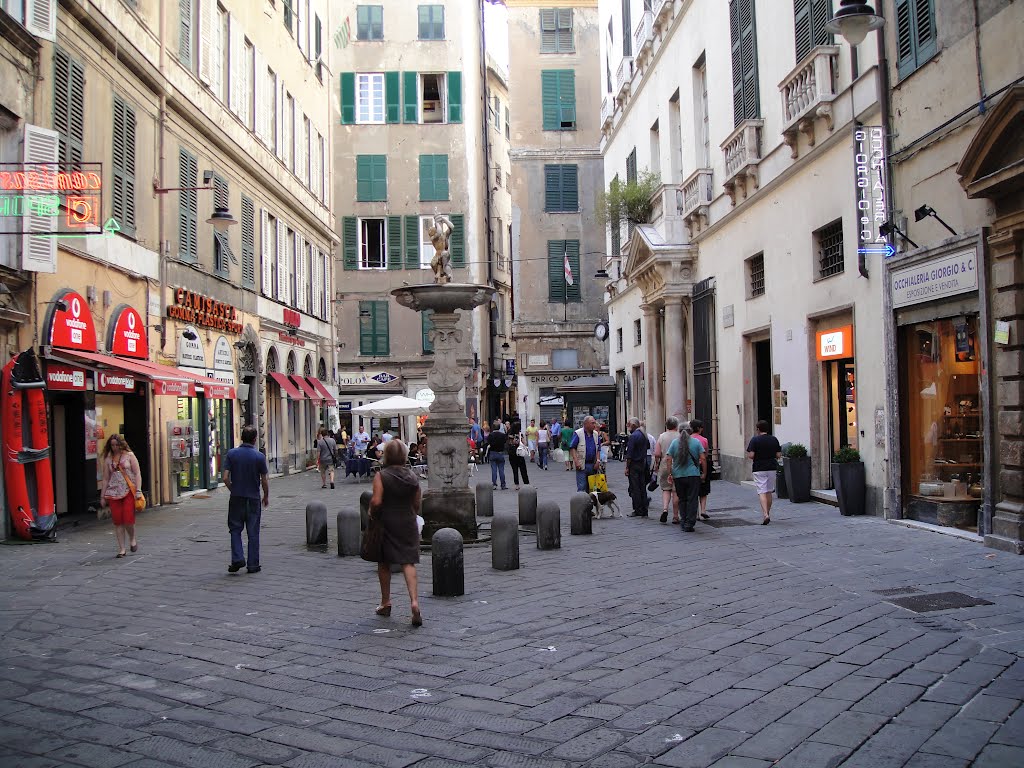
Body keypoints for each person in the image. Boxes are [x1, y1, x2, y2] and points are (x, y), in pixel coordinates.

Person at [368, 440, 423, 626]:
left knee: (384, 562)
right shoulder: (413, 476)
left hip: (386, 522)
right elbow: (417, 502)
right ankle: (414, 602)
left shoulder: (381, 476)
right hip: (407, 521)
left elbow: (376, 501)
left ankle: (386, 602)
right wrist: (412, 514)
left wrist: (371, 513)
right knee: (408, 561)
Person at [222, 425, 270, 573]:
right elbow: (264, 480)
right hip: (253, 498)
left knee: (235, 529)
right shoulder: (259, 457)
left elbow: (225, 478)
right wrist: (266, 495)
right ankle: (253, 564)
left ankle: (237, 559)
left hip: (236, 497)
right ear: (255, 439)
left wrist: (233, 489)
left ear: (241, 437)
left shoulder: (232, 454)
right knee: (253, 532)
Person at [99, 434, 143, 558]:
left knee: (128, 519)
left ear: (121, 444)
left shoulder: (129, 456)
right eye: (112, 445)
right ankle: (122, 549)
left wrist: (138, 490)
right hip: (113, 492)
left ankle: (132, 538)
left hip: (128, 490)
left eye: (116, 445)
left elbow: (137, 473)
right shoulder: (108, 459)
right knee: (118, 521)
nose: (114, 447)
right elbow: (106, 479)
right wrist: (103, 496)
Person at [667, 426, 706, 532]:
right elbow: (702, 458)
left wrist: (670, 472)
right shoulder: (696, 442)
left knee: (682, 499)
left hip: (678, 475)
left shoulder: (674, 443)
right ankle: (690, 523)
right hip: (693, 474)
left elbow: (668, 459)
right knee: (692, 499)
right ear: (691, 432)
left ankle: (683, 520)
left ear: (679, 432)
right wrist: (704, 473)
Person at [746, 420, 782, 525]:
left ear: (758, 429)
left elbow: (751, 455)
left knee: (762, 491)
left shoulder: (755, 440)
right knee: (769, 491)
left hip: (759, 468)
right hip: (771, 467)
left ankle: (765, 514)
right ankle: (768, 512)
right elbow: (778, 455)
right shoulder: (774, 439)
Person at [653, 417, 682, 524]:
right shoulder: (680, 436)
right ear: (676, 425)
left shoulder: (662, 436)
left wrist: (656, 464)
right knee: (675, 491)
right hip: (678, 465)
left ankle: (665, 509)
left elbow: (657, 454)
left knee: (666, 489)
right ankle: (675, 515)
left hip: (665, 465)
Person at [624, 418, 650, 517]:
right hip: (642, 463)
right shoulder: (643, 435)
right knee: (642, 487)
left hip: (634, 464)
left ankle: (638, 509)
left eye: (628, 424)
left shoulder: (633, 436)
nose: (627, 426)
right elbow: (647, 447)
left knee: (635, 488)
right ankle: (644, 509)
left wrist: (627, 467)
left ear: (633, 425)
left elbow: (629, 454)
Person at [569, 416, 601, 493]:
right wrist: (576, 461)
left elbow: (598, 448)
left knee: (592, 488)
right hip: (582, 464)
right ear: (585, 424)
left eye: (594, 423)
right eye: (592, 423)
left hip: (592, 465)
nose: (594, 425)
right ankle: (582, 504)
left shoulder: (596, 434)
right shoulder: (578, 433)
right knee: (581, 487)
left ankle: (590, 503)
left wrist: (598, 461)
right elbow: (572, 448)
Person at [691, 419, 712, 520]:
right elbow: (705, 454)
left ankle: (695, 513)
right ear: (699, 428)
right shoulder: (704, 440)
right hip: (701, 465)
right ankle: (703, 510)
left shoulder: (688, 439)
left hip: (691, 466)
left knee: (693, 490)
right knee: (703, 490)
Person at [486, 420, 509, 490]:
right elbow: (505, 441)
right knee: (501, 470)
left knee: (494, 470)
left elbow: (488, 442)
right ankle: (503, 484)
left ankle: (494, 484)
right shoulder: (502, 435)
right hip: (500, 453)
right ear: (499, 428)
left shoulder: (491, 435)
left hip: (493, 452)